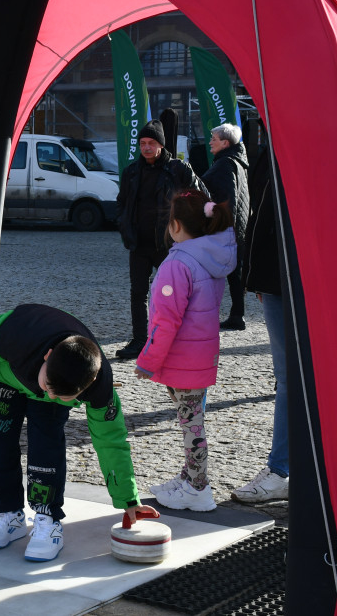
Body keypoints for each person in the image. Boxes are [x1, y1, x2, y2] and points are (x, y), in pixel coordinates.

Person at [0, 304, 157, 562]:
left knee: (46, 449)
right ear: (48, 355)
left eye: (63, 395)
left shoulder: (100, 388)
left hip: (48, 378)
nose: (51, 395)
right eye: (49, 386)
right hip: (3, 377)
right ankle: (8, 514)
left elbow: (111, 441)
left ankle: (47, 518)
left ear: (89, 383)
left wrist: (128, 499)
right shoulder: (13, 334)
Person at [135, 190, 236, 512]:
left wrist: (147, 361)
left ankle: (198, 488)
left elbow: (165, 321)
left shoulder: (178, 264)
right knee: (190, 421)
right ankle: (189, 477)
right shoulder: (209, 259)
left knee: (192, 425)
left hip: (181, 359)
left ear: (175, 225)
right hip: (199, 356)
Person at [115, 119, 208, 359]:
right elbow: (122, 203)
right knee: (138, 293)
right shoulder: (131, 172)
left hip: (169, 245)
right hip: (138, 244)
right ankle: (140, 340)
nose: (146, 147)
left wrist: (186, 233)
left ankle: (179, 339)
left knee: (172, 294)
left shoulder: (178, 170)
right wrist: (124, 227)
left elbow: (202, 198)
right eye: (142, 143)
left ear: (161, 145)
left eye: (151, 143)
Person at [231, 139, 290, 503]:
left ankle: (282, 469)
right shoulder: (273, 145)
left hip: (292, 278)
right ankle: (285, 468)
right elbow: (260, 213)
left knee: (291, 380)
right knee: (289, 380)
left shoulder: (289, 142)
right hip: (276, 279)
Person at [201, 123, 250, 330]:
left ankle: (209, 314)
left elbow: (227, 200)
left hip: (227, 229)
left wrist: (221, 228)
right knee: (235, 274)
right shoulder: (237, 161)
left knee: (214, 273)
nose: (210, 142)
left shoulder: (224, 164)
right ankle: (237, 314)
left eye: (214, 139)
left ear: (225, 143)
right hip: (238, 227)